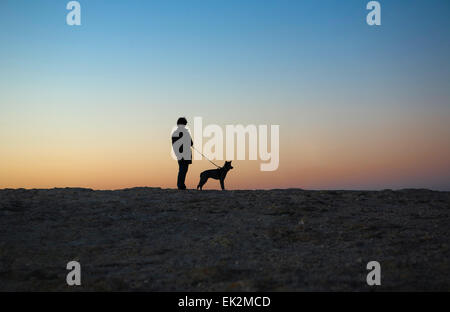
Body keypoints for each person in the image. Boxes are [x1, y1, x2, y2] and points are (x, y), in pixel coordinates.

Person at [171, 117, 193, 190]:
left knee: (183, 170)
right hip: (183, 154)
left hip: (182, 154)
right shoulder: (184, 133)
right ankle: (180, 185)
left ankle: (181, 185)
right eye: (185, 124)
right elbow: (191, 143)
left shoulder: (176, 133)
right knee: (183, 170)